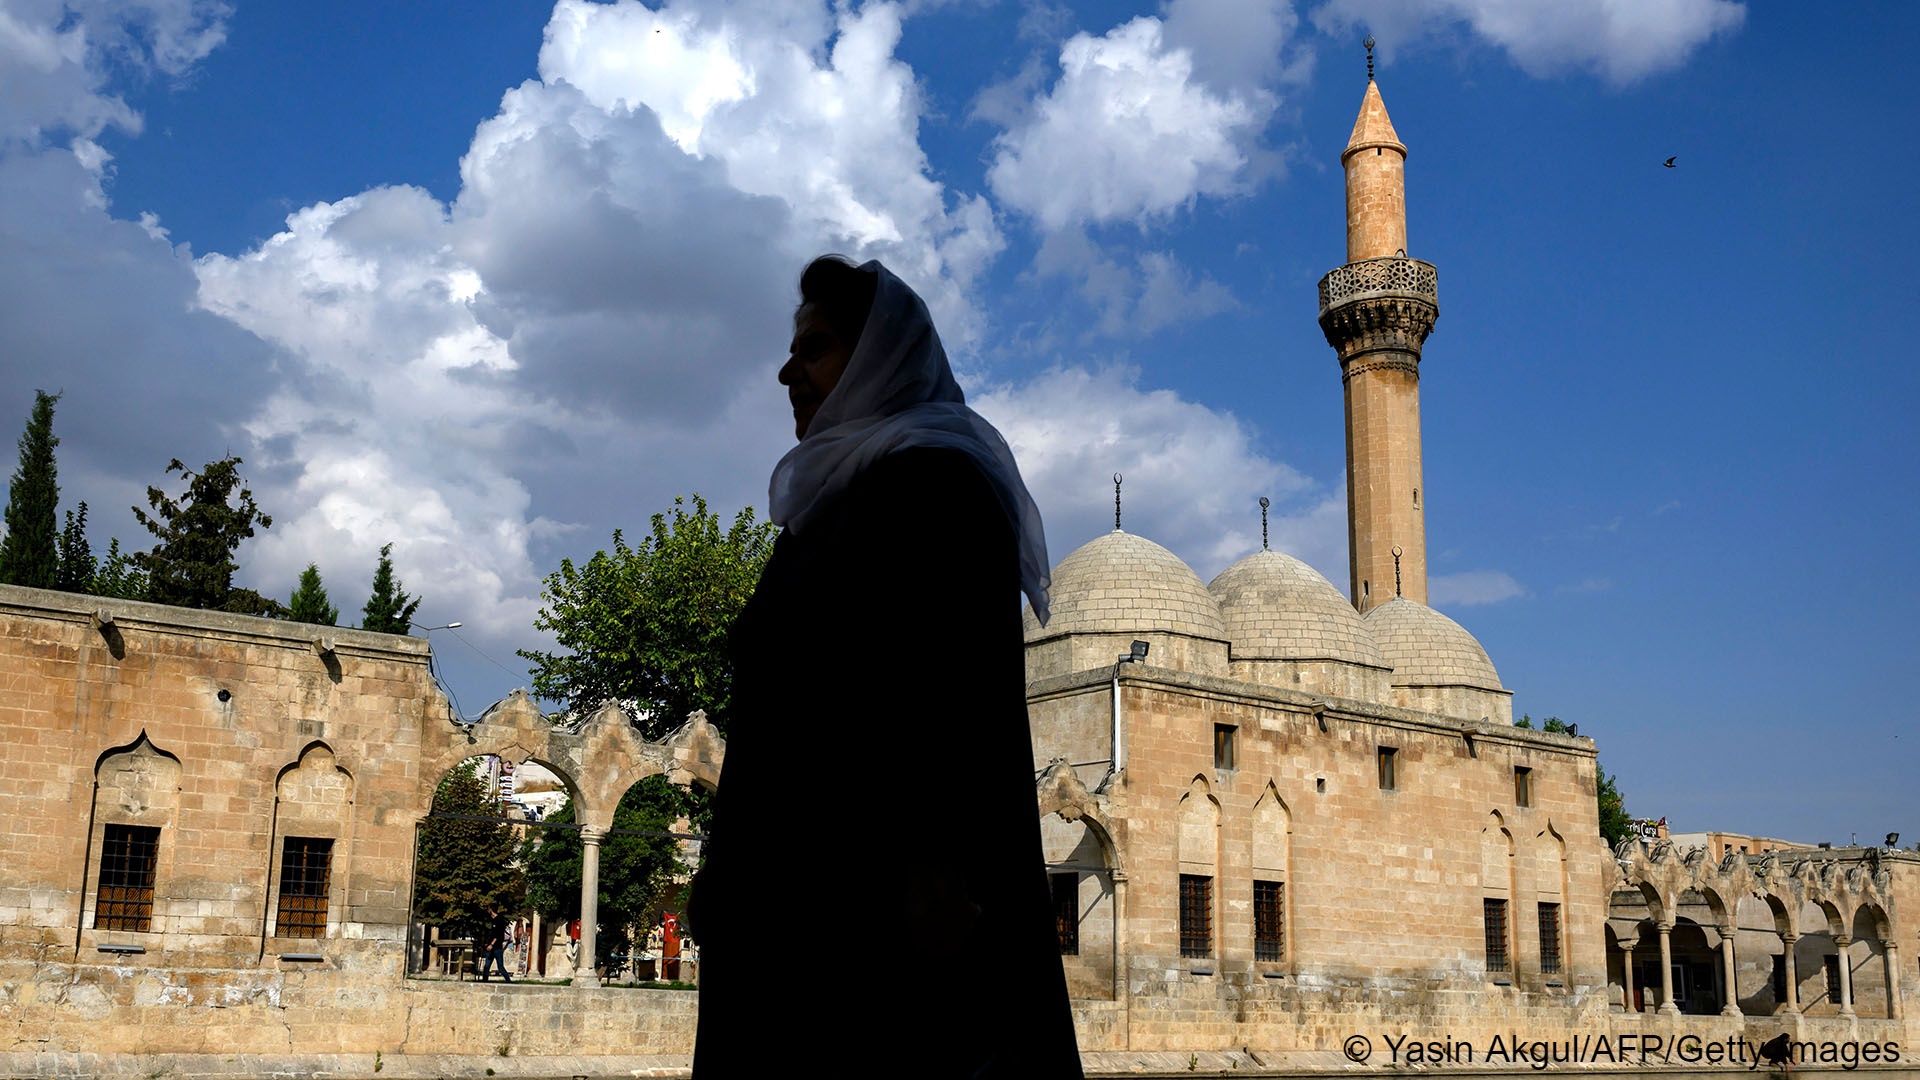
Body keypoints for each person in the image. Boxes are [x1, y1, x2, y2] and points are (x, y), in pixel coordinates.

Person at [688, 257, 1081, 1078]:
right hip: (793, 903)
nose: (788, 371)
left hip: (866, 918)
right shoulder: (836, 494)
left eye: (818, 348)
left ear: (881, 358)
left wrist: (934, 873)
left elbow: (942, 695)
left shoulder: (934, 480)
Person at [477, 907, 511, 983]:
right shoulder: (491, 920)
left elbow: (498, 935)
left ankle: (508, 981)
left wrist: (491, 944)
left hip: (497, 947)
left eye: (488, 909)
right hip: (490, 947)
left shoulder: (499, 920)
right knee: (486, 966)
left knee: (500, 967)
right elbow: (490, 934)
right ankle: (484, 981)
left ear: (491, 910)